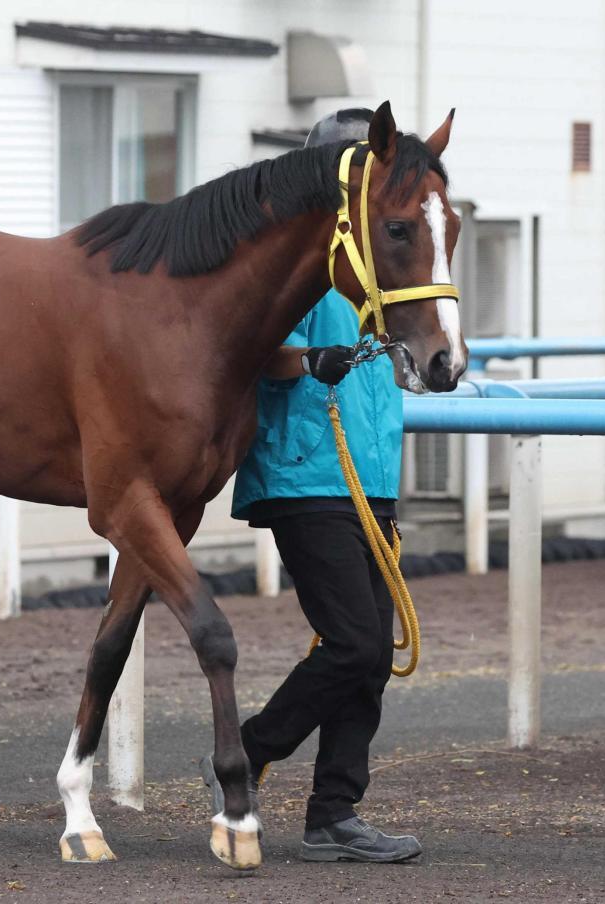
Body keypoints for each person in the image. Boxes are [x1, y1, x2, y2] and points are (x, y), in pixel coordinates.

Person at [203, 108, 422, 862]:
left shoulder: (384, 254)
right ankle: (251, 751)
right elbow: (253, 348)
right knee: (357, 644)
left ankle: (335, 813)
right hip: (306, 471)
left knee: (367, 656)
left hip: (371, 475)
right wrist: (308, 358)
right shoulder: (287, 256)